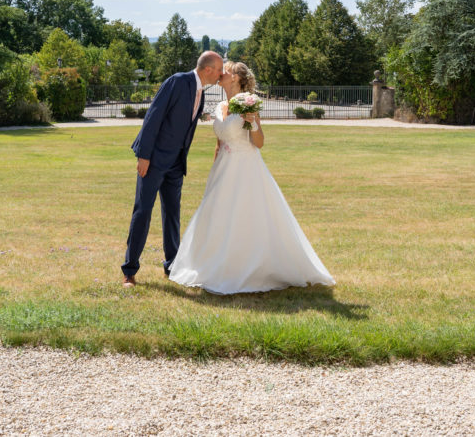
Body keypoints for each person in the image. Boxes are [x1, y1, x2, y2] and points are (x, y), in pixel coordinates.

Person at [169, 61, 335, 294]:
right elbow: (220, 143)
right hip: (223, 168)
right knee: (218, 216)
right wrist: (214, 172)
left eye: (226, 70)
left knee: (245, 216)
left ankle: (249, 268)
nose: (221, 73)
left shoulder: (248, 103)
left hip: (246, 167)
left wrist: (252, 122)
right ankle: (214, 265)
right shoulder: (220, 106)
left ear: (236, 78)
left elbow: (259, 143)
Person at [121, 51, 224, 287]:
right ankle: (129, 270)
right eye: (219, 69)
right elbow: (153, 116)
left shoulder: (200, 90)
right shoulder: (178, 81)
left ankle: (172, 266)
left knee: (172, 216)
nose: (221, 74)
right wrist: (144, 155)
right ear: (208, 69)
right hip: (154, 160)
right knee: (143, 212)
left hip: (177, 164)